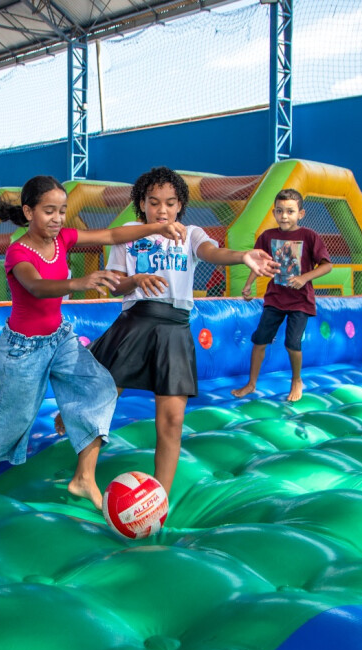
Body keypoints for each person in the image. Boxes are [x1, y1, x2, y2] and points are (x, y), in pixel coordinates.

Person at [0, 175, 189, 507]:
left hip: (59, 338)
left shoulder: (63, 238)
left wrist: (154, 229)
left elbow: (114, 234)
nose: (57, 219)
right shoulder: (18, 252)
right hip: (23, 348)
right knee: (16, 415)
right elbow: (36, 287)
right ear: (29, 212)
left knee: (101, 387)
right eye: (49, 211)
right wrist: (81, 282)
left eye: (62, 211)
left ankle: (84, 478)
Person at [87, 166, 278, 493]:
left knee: (172, 421)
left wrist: (243, 255)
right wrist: (133, 281)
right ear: (142, 203)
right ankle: (83, 475)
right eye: (154, 202)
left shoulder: (191, 234)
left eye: (171, 203)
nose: (162, 210)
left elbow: (213, 252)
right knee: (100, 402)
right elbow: (115, 286)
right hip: (136, 322)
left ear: (180, 206)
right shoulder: (129, 233)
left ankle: (159, 499)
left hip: (175, 327)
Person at [231, 189, 332, 402]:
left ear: (300, 214)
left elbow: (327, 266)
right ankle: (251, 383)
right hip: (275, 298)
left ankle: (296, 380)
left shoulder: (309, 237)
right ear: (274, 212)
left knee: (292, 342)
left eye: (290, 211)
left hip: (300, 301)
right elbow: (257, 264)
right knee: (260, 339)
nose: (284, 216)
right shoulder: (267, 237)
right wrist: (249, 285)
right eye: (279, 211)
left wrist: (304, 278)